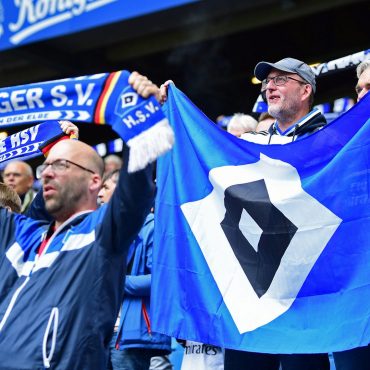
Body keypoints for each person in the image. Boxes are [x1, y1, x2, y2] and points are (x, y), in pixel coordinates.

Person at [0, 84, 156, 369]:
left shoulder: (104, 232)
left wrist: (141, 115)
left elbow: (137, 188)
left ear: (94, 181)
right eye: (44, 166)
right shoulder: (19, 235)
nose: (46, 172)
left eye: (60, 165)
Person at [99, 170, 172, 370]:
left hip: (130, 334)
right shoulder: (103, 229)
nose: (99, 194)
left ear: (124, 190)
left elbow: (160, 280)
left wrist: (116, 281)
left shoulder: (152, 227)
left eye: (105, 187)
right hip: (101, 333)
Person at [330, 59, 370, 370]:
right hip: (353, 305)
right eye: (359, 89)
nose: (362, 95)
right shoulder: (342, 151)